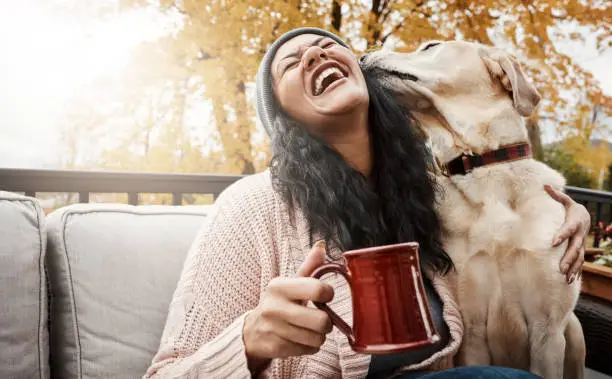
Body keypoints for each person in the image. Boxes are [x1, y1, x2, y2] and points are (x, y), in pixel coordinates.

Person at [144, 28, 590, 378]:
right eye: (291, 63)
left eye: (325, 46)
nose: (316, 55)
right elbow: (168, 373)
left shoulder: (430, 195)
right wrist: (248, 340)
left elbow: (502, 215)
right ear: (282, 119)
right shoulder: (253, 206)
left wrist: (562, 212)